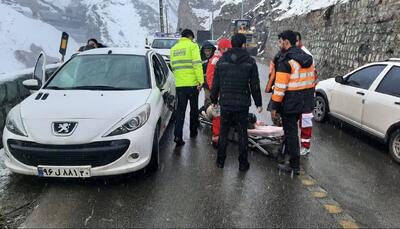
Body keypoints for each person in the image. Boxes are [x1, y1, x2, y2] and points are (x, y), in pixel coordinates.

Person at [210, 34, 262, 171]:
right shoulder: (250, 61)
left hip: (226, 103)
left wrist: (214, 99)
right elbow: (255, 85)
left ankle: (220, 161)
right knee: (242, 133)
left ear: (231, 45)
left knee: (223, 132)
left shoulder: (222, 61)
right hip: (242, 104)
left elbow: (216, 83)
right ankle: (243, 164)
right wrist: (258, 103)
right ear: (243, 45)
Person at [270, 30, 316, 175]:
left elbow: (280, 88)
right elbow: (312, 79)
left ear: (286, 42)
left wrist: (274, 106)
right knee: (293, 132)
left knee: (291, 134)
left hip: (290, 102)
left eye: (280, 41)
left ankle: (294, 165)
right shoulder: (307, 58)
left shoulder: (286, 61)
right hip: (305, 100)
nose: (279, 44)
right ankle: (288, 155)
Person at [170, 29, 203, 146]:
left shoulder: (173, 49)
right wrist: (201, 81)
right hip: (193, 85)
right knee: (194, 109)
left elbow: (173, 67)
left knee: (180, 111)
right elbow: (197, 64)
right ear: (190, 36)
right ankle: (193, 132)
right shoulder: (193, 46)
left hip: (180, 85)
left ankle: (178, 135)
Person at [206, 38, 232, 146]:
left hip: (227, 91)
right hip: (220, 91)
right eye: (227, 48)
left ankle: (225, 132)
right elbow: (210, 76)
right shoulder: (216, 59)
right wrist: (216, 90)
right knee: (218, 113)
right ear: (222, 48)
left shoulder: (227, 58)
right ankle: (216, 136)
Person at [295, 32, 317, 156]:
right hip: (300, 94)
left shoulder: (306, 55)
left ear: (300, 41)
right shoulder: (297, 54)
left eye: (297, 41)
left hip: (305, 95)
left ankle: (305, 146)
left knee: (305, 121)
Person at [200, 41, 217, 110]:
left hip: (215, 83)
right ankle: (208, 112)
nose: (208, 52)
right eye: (206, 51)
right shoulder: (200, 59)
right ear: (203, 51)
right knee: (208, 99)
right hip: (206, 84)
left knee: (215, 99)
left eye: (209, 51)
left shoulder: (215, 59)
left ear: (212, 50)